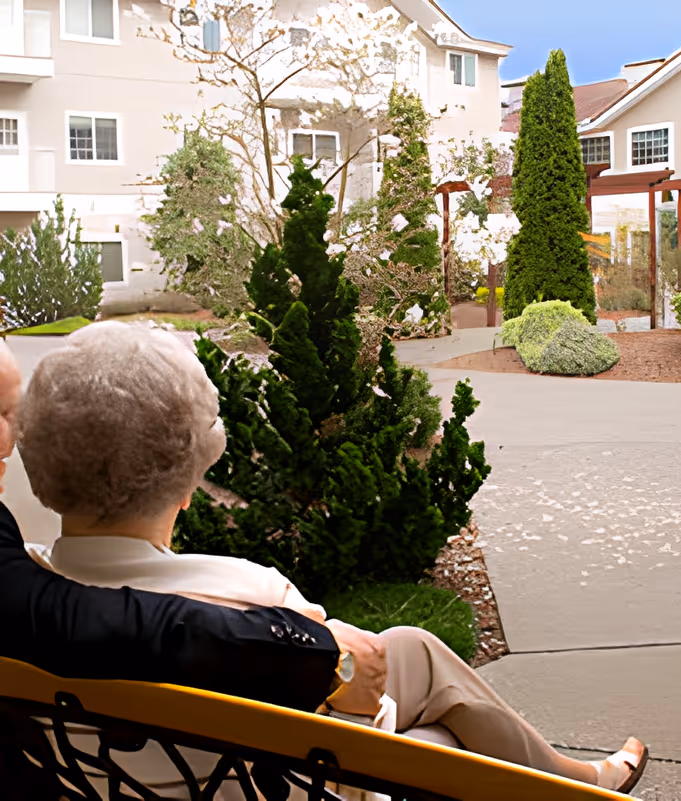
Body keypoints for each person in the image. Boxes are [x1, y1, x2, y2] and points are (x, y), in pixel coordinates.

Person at [14, 323, 647, 793]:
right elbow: (351, 760)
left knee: (410, 647)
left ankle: (572, 776)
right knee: (441, 742)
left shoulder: (27, 591)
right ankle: (574, 785)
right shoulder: (258, 607)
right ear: (186, 482)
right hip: (266, 784)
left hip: (109, 777)